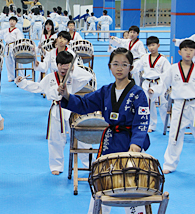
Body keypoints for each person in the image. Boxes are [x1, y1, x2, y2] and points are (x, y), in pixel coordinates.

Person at [58, 48, 150, 213]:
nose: (119, 68)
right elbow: (85, 104)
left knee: (132, 183)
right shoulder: (106, 91)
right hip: (110, 140)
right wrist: (66, 95)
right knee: (103, 181)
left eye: (124, 64)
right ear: (110, 66)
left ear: (131, 68)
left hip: (130, 141)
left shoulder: (138, 94)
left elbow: (142, 122)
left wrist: (136, 144)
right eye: (115, 64)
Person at [15, 51, 92, 175]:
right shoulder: (50, 77)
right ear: (57, 64)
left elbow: (87, 76)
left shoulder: (74, 77)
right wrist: (22, 83)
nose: (64, 67)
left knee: (80, 138)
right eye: (61, 64)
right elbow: (38, 87)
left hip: (72, 109)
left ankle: (89, 164)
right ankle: (56, 165)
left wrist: (73, 69)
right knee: (55, 139)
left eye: (67, 64)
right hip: (56, 109)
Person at [162, 40, 195, 174]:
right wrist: (157, 93)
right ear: (179, 52)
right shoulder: (173, 68)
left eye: (191, 50)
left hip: (194, 104)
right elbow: (163, 83)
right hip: (179, 105)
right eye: (185, 50)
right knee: (174, 136)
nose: (188, 52)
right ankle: (169, 164)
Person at [131, 36, 171, 132]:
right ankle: (151, 125)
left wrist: (167, 86)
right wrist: (129, 68)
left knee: (163, 104)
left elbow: (168, 73)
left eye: (153, 45)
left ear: (158, 45)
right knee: (149, 106)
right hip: (147, 83)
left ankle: (168, 124)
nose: (151, 48)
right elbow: (136, 67)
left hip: (159, 84)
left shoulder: (163, 59)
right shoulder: (144, 58)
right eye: (149, 46)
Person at [0, 16, 24, 82]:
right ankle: (11, 77)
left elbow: (20, 39)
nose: (12, 22)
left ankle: (21, 75)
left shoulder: (17, 31)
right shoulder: (6, 30)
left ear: (16, 22)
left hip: (14, 46)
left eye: (13, 21)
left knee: (17, 62)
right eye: (11, 21)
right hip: (7, 46)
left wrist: (18, 47)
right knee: (8, 63)